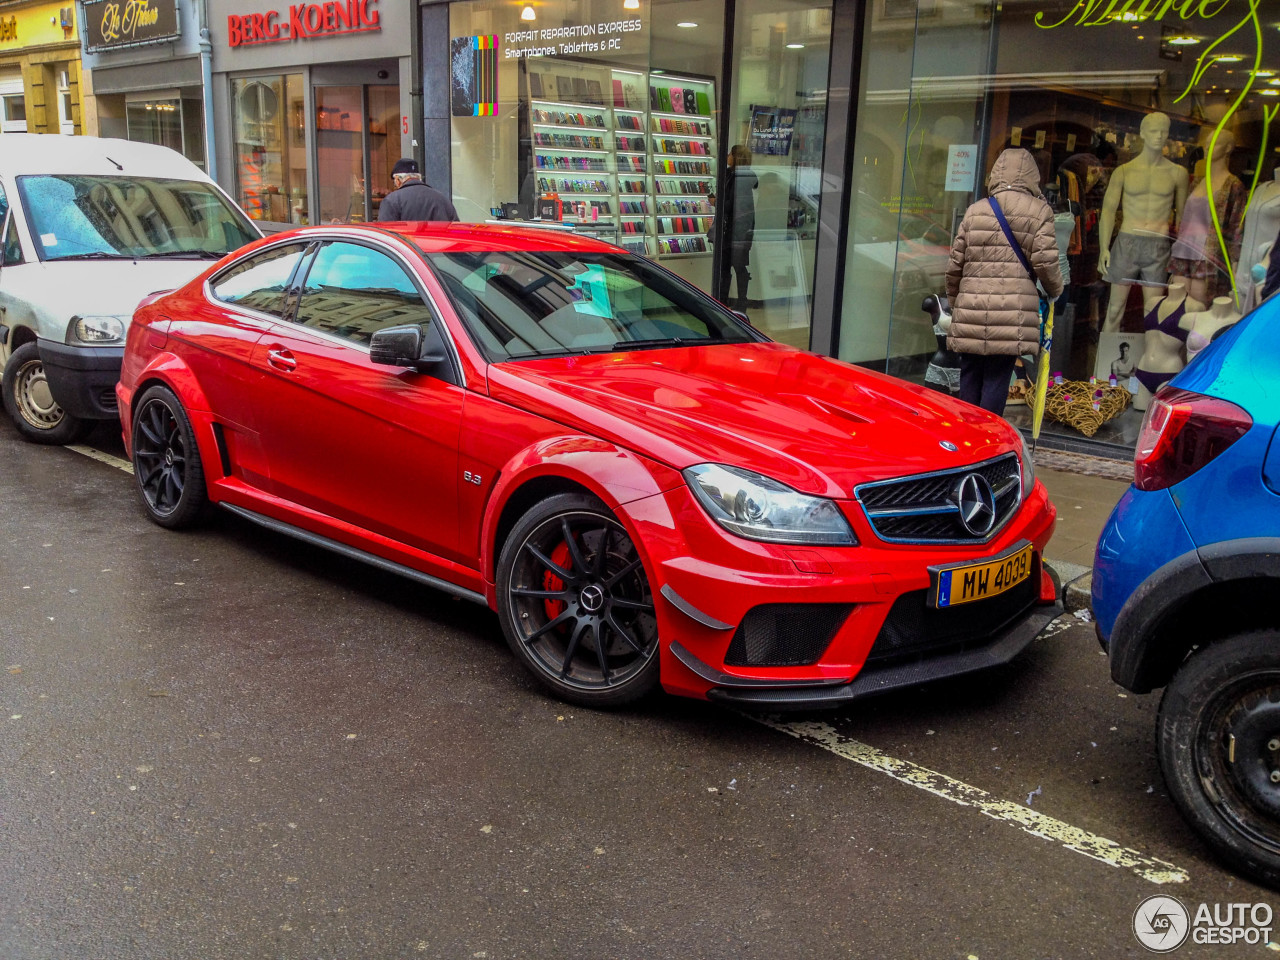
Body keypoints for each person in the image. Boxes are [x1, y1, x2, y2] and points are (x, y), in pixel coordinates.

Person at [945, 147, 1063, 417]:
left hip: (970, 309)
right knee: (998, 378)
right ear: (1032, 176)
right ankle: (989, 440)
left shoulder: (976, 211)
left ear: (996, 173)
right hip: (1012, 314)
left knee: (970, 376)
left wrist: (957, 304)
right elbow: (1046, 263)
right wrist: (1056, 291)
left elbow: (954, 267)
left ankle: (967, 439)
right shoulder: (1039, 212)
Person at [722, 144, 757, 309]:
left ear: (736, 158)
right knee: (735, 265)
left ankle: (730, 302)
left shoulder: (738, 178)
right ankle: (735, 302)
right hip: (740, 229)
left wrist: (718, 202)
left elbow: (733, 204)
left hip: (737, 230)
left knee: (734, 265)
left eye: (730, 153)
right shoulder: (735, 176)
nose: (727, 156)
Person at [377, 158, 459, 222]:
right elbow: (455, 229)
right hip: (441, 244)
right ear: (418, 177)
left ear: (398, 180)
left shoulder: (391, 201)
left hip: (406, 244)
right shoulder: (442, 199)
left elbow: (386, 235)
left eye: (394, 182)